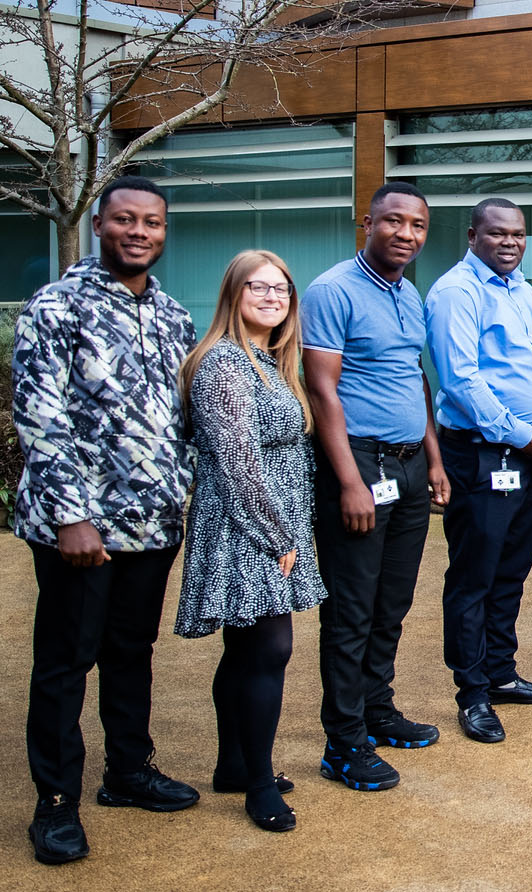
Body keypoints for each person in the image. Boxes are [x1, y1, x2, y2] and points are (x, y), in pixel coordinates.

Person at [15, 176, 199, 865]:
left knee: (132, 653)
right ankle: (56, 802)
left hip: (151, 524)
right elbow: (40, 417)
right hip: (81, 529)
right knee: (66, 661)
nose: (139, 231)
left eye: (151, 222)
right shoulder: (55, 307)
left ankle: (129, 770)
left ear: (162, 231)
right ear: (100, 224)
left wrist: (182, 489)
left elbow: (182, 419)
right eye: (125, 219)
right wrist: (71, 517)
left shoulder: (174, 316)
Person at [303, 181, 450, 790]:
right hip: (360, 465)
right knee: (352, 609)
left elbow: (415, 379)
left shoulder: (408, 293)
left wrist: (434, 460)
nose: (406, 235)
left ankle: (376, 709)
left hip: (411, 466)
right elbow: (322, 389)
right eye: (394, 222)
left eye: (417, 226)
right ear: (367, 222)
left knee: (392, 602)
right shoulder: (331, 291)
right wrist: (349, 481)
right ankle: (343, 741)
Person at [174, 250, 328, 832]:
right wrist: (276, 535)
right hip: (249, 526)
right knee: (269, 650)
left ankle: (234, 764)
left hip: (274, 521)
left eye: (282, 289)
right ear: (232, 295)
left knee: (244, 651)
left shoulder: (269, 361)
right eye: (258, 288)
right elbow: (237, 460)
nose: (272, 297)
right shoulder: (221, 365)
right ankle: (258, 784)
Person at [427, 198, 532, 743]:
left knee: (511, 571)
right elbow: (461, 380)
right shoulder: (456, 293)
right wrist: (523, 433)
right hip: (483, 454)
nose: (509, 242)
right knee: (473, 577)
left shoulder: (523, 291)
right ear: (472, 235)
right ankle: (472, 693)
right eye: (498, 233)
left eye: (518, 234)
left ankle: (501, 673)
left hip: (529, 453)